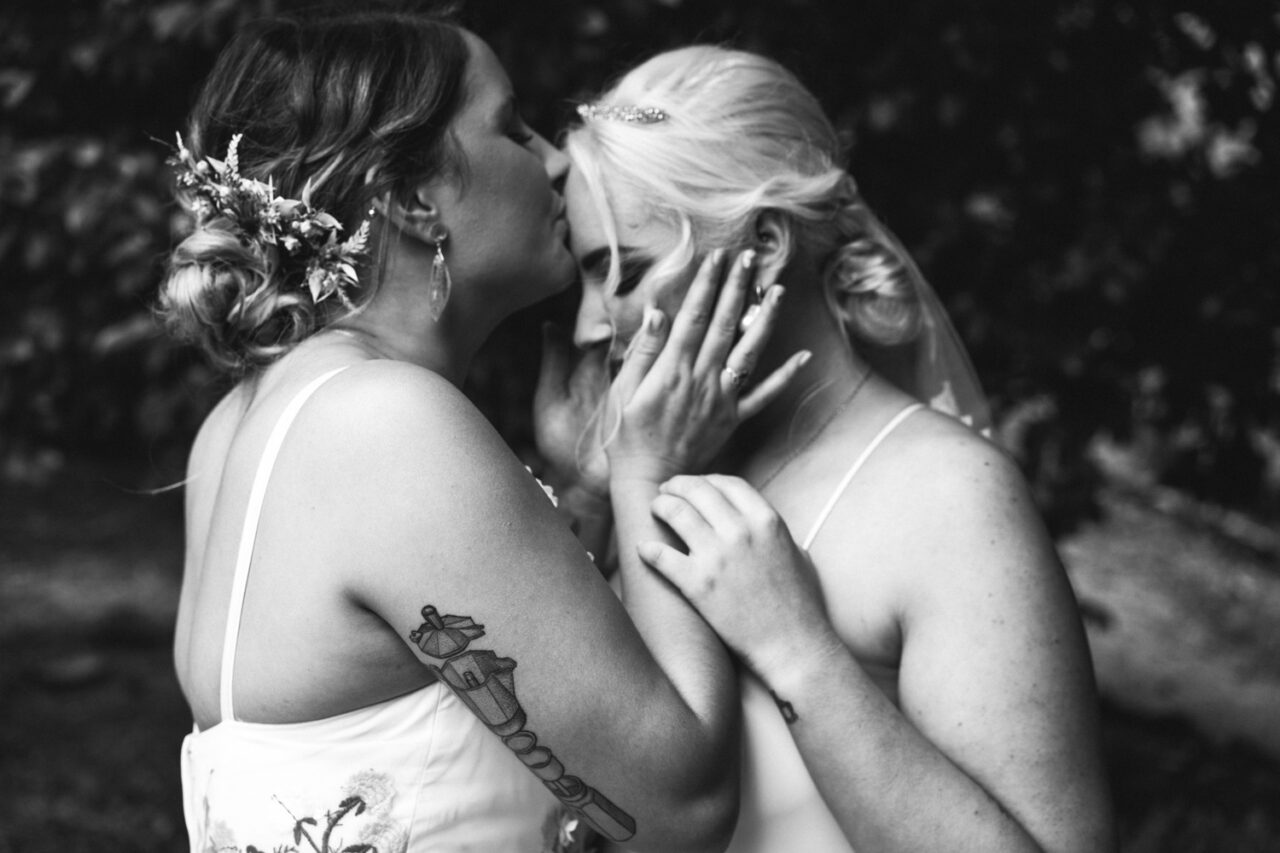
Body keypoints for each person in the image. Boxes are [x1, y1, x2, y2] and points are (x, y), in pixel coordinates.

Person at [161, 13, 806, 853]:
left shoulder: (242, 423)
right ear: (412, 198)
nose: (555, 157)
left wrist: (583, 493)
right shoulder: (385, 425)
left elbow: (431, 688)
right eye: (511, 126)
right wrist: (650, 470)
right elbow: (674, 811)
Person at [543, 45, 1116, 852]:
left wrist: (798, 650)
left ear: (765, 246)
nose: (591, 325)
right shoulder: (655, 464)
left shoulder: (949, 498)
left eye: (626, 271)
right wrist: (593, 496)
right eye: (586, 280)